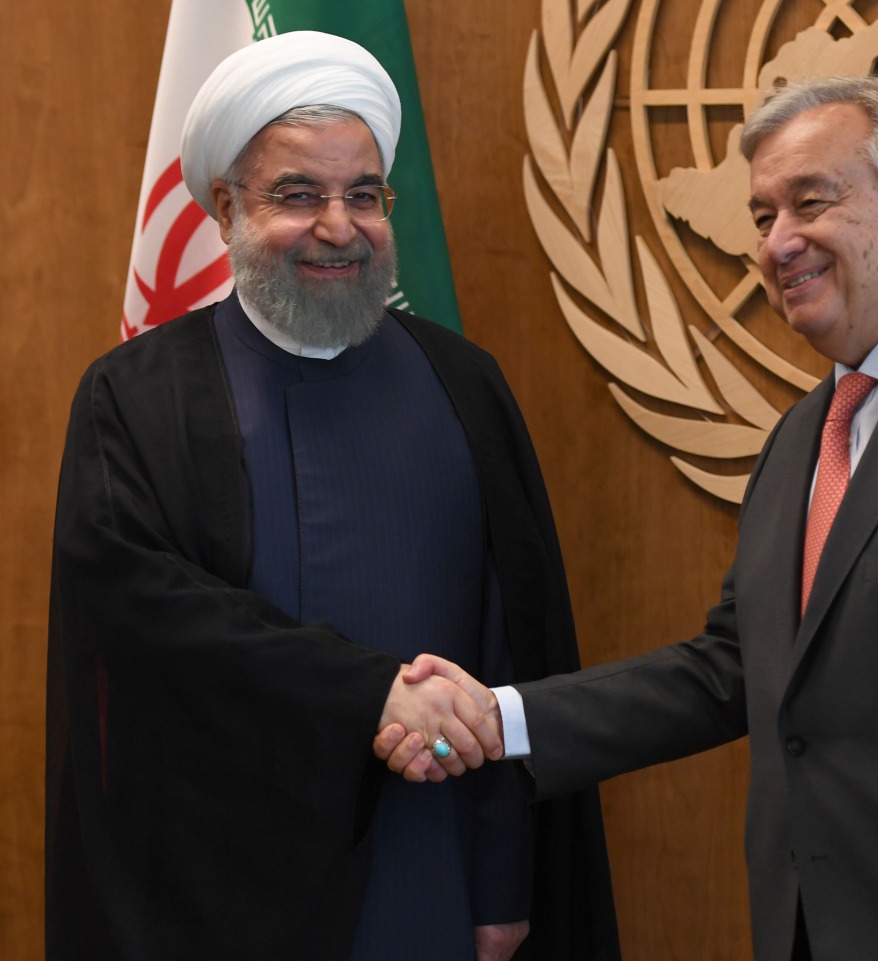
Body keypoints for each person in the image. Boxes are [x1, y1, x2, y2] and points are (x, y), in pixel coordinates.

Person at [379, 76, 878, 961]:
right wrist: (503, 717)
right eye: (762, 215)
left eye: (811, 202)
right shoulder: (806, 432)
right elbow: (733, 667)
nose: (777, 242)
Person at [44, 30, 619, 961]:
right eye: (298, 195)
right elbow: (144, 619)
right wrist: (371, 694)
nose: (339, 226)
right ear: (225, 206)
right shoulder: (138, 394)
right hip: (217, 881)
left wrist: (506, 879)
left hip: (427, 861)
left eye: (363, 195)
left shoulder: (463, 383)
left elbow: (516, 644)